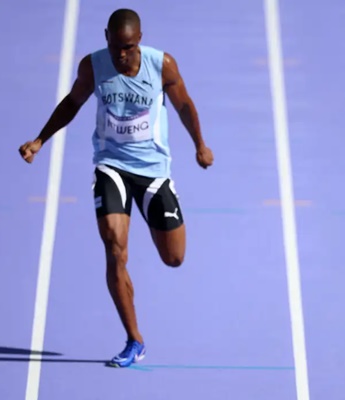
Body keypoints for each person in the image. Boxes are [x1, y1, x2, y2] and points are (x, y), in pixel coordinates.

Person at [18, 8, 213, 368]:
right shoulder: (93, 66)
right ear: (106, 35)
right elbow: (72, 103)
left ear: (139, 40)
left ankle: (135, 325)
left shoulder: (162, 65)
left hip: (153, 171)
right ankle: (134, 340)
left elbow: (184, 104)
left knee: (174, 258)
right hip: (112, 166)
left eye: (127, 48)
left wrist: (199, 144)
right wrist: (40, 140)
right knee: (114, 245)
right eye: (115, 47)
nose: (120, 55)